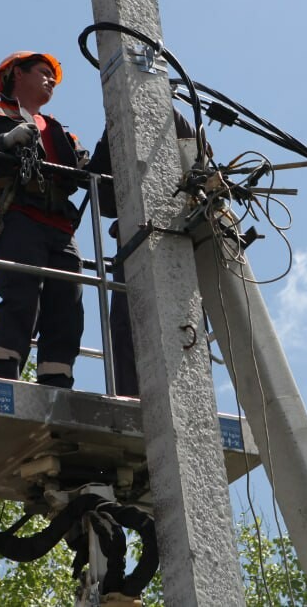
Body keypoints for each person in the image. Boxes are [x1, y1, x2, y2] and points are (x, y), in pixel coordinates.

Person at [0, 51, 89, 389]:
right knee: (22, 294)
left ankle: (57, 378)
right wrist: (4, 141)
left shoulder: (58, 131)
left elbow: (88, 173)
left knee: (67, 305)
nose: (51, 79)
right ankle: (2, 369)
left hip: (60, 227)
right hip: (17, 215)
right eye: (43, 71)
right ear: (17, 74)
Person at [86, 109, 199, 397]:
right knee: (127, 328)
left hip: (174, 243)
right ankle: (132, 398)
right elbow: (104, 198)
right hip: (136, 244)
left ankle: (160, 396)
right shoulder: (118, 121)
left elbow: (198, 171)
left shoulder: (172, 118)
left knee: (167, 328)